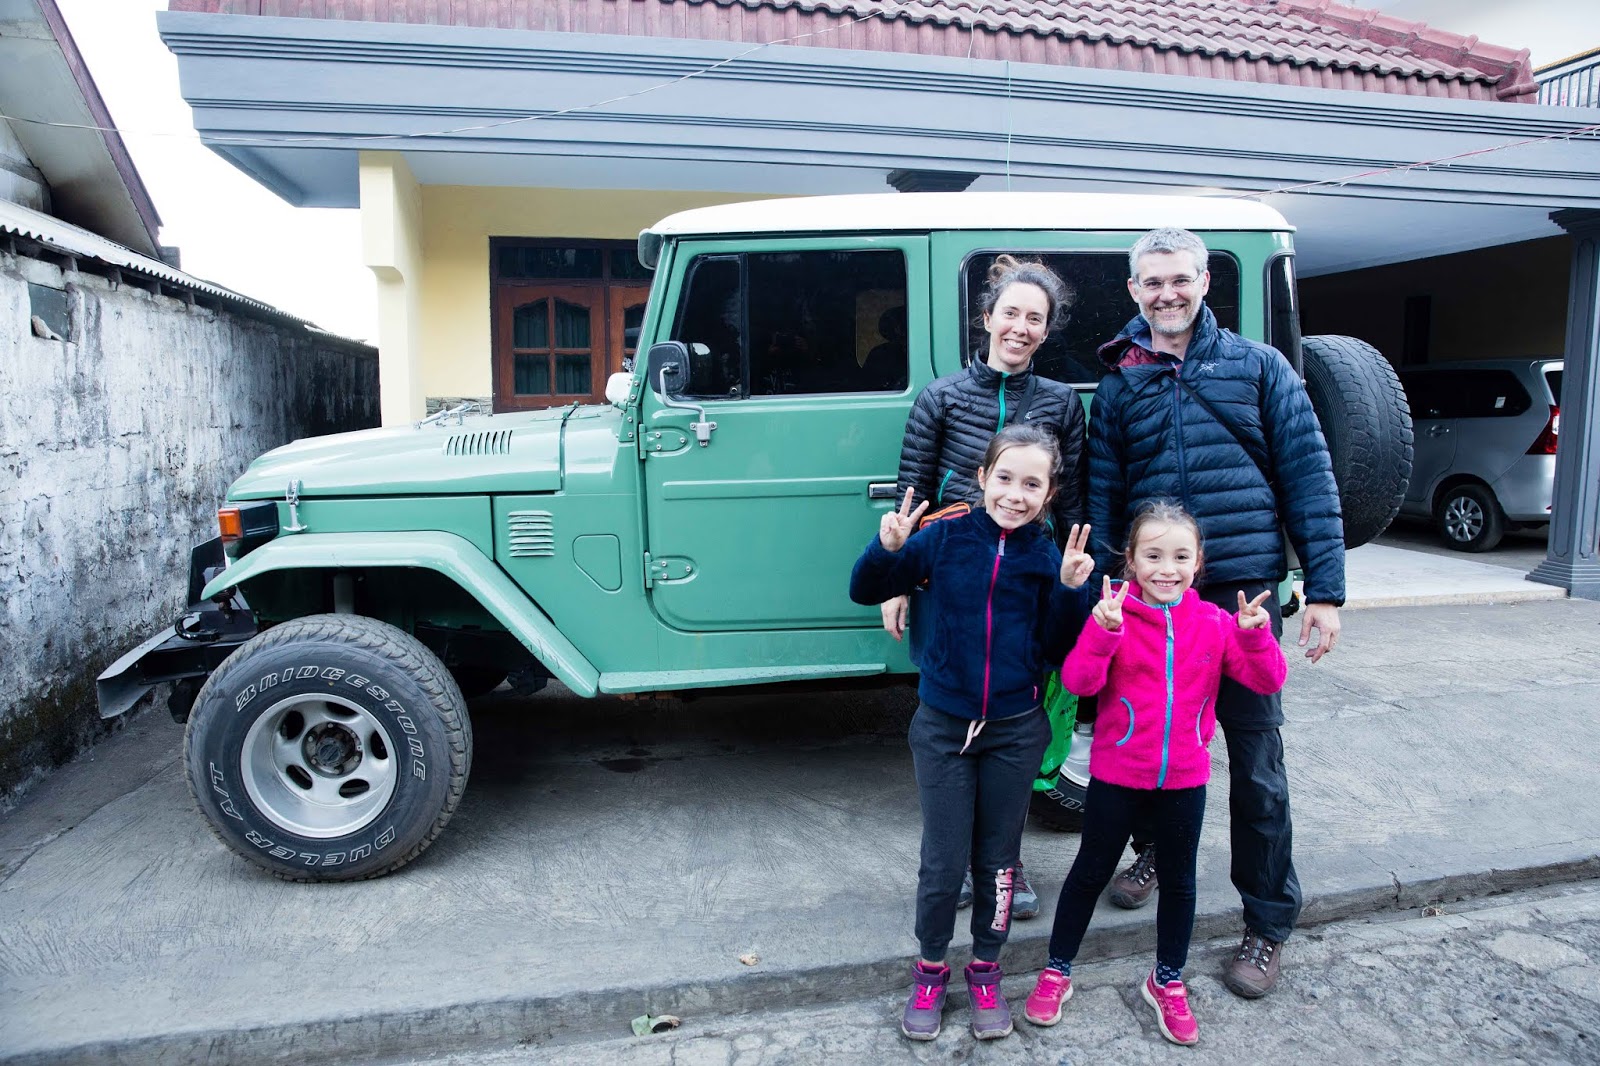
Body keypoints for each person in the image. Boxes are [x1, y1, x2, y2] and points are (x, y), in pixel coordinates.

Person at [1086, 226, 1345, 998]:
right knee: (1144, 741)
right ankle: (1158, 849)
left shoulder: (1259, 368)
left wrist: (1325, 592)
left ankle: (1267, 924)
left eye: (1180, 279)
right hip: (1152, 602)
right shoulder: (1120, 383)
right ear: (1134, 291)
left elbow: (1309, 477)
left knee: (1257, 768)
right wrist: (1102, 592)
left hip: (1242, 601)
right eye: (1152, 281)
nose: (1167, 293)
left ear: (1205, 282)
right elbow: (1104, 494)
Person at [849, 424, 1096, 1043]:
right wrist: (887, 548)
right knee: (942, 862)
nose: (1015, 494)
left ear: (1049, 494)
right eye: (1004, 478)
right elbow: (864, 589)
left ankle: (986, 969)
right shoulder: (944, 538)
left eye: (1032, 484)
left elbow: (1058, 650)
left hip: (1016, 732)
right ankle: (930, 970)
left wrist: (1072, 592)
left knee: (999, 863)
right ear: (983, 478)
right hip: (942, 728)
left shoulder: (1047, 559)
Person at [1023, 502, 1287, 1046]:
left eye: (1180, 557)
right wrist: (1102, 632)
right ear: (1131, 560)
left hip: (1185, 778)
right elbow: (1078, 682)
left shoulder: (1215, 623)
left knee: (1180, 881)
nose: (1167, 569)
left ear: (1198, 563)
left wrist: (1255, 635)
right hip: (1117, 775)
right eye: (1153, 556)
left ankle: (1166, 980)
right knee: (1089, 872)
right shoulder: (1114, 613)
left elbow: (1266, 681)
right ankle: (1056, 971)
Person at [885, 254, 1090, 916]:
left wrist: (1079, 581)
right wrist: (896, 581)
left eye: (1035, 318)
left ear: (1046, 330)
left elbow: (1074, 500)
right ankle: (953, 860)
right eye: (1011, 313)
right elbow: (911, 490)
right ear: (987, 318)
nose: (1020, 328)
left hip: (1027, 581)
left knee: (1017, 720)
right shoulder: (942, 396)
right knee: (950, 720)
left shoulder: (1061, 402)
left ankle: (1005, 859)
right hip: (952, 578)